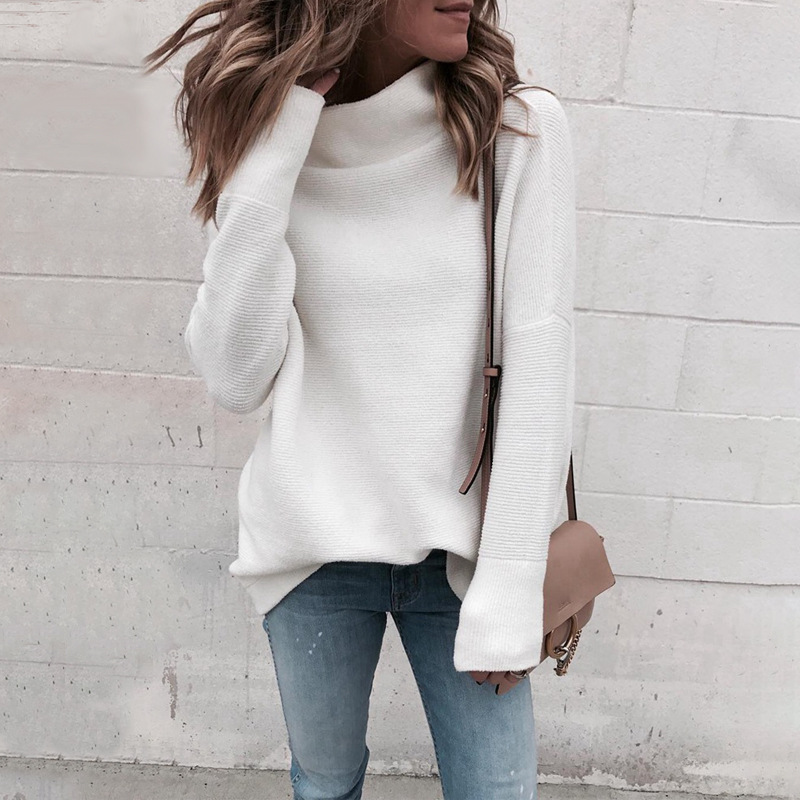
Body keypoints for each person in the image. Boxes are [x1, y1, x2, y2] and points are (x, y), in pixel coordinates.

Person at [144, 0, 576, 797]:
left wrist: (512, 588)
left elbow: (540, 365)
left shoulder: (513, 129)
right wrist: (271, 153)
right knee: (325, 785)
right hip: (313, 549)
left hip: (465, 562)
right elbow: (237, 377)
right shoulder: (270, 138)